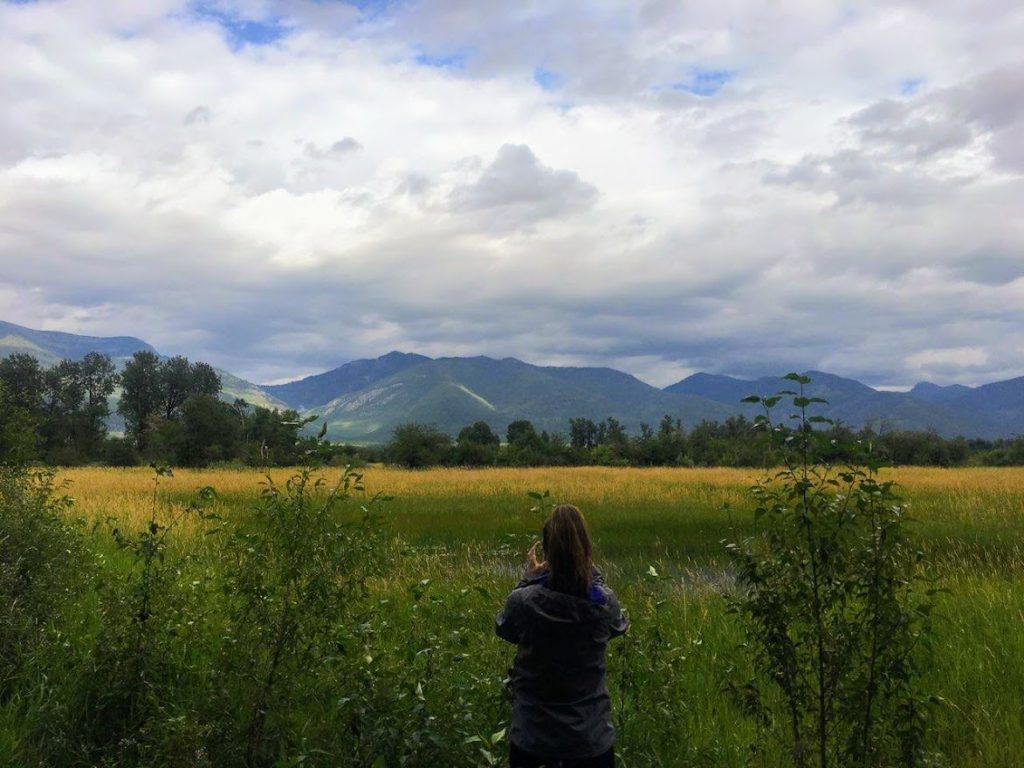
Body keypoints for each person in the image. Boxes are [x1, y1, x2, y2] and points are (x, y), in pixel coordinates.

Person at [495, 504, 629, 768]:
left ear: (546, 551)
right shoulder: (603, 604)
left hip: (533, 740)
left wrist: (529, 578)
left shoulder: (524, 602)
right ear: (586, 549)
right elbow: (618, 625)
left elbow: (504, 627)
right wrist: (586, 567)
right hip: (590, 742)